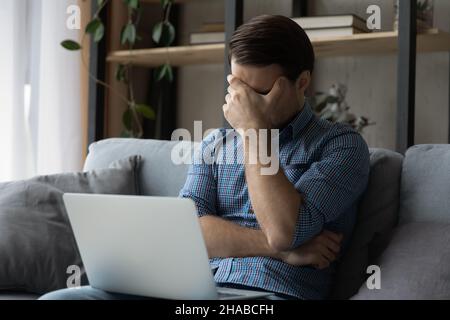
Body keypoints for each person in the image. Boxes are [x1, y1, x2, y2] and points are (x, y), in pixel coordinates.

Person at [40, 14, 369, 300]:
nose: (243, 101)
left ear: (303, 82)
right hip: (192, 291)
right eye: (237, 87)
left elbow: (283, 230)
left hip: (272, 294)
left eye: (258, 92)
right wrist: (285, 251)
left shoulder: (340, 147)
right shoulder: (215, 145)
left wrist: (255, 130)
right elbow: (189, 234)